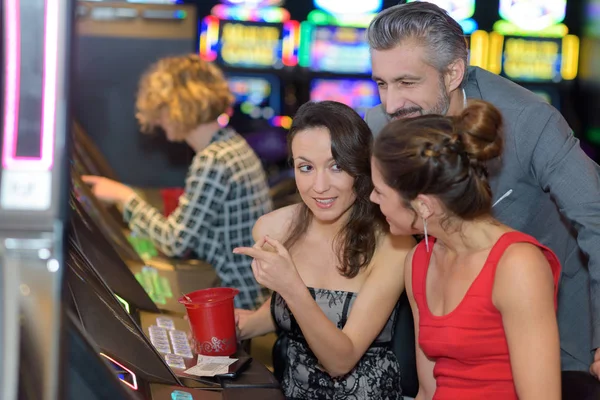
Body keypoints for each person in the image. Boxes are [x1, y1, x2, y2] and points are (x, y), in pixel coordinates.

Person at [365, 1, 600, 377]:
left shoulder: (527, 121)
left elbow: (596, 217)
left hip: (554, 326)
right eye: (381, 83)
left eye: (407, 82)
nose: (391, 104)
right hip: (449, 320)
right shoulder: (381, 123)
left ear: (453, 72)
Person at [371, 99, 562, 399]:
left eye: (380, 191)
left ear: (423, 205)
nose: (372, 198)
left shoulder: (518, 264)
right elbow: (428, 390)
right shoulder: (419, 261)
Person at [233, 101, 415, 399]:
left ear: (361, 167)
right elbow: (306, 309)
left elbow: (340, 361)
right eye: (306, 167)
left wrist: (290, 284)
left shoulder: (393, 243)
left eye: (336, 166)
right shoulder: (274, 229)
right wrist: (247, 323)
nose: (319, 186)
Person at [82, 54, 272, 310]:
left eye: (161, 110)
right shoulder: (231, 145)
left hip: (235, 302)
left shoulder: (213, 160)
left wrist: (124, 197)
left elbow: (174, 242)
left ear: (179, 107)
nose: (158, 120)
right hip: (245, 289)